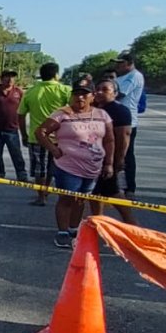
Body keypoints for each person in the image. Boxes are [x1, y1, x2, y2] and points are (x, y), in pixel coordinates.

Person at [35, 79, 114, 249]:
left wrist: (109, 163)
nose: (80, 98)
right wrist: (54, 150)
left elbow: (109, 140)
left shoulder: (102, 115)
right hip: (68, 166)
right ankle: (62, 232)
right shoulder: (62, 114)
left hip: (93, 167)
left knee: (81, 199)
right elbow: (40, 132)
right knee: (67, 198)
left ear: (92, 96)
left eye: (85, 94)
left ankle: (73, 229)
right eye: (77, 94)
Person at [18, 62, 72, 205]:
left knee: (39, 169)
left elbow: (21, 114)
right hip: (59, 137)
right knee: (52, 166)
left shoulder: (31, 91)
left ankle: (41, 196)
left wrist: (23, 134)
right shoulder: (65, 90)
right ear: (56, 75)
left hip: (36, 138)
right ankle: (47, 189)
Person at [89, 78, 135, 225]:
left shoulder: (119, 111)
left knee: (113, 192)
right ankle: (98, 222)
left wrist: (118, 160)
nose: (100, 92)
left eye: (105, 90)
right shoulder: (93, 107)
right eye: (98, 89)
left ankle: (132, 225)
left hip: (110, 159)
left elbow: (124, 137)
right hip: (93, 157)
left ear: (115, 93)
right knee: (95, 193)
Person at [0, 69, 27, 181]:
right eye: (7, 77)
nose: (10, 80)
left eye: (12, 77)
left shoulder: (18, 92)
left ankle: (21, 173)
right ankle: (0, 172)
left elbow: (26, 105)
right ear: (2, 79)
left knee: (16, 152)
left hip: (12, 128)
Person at [113, 52, 145, 193]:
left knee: (125, 155)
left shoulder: (134, 76)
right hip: (115, 119)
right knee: (114, 154)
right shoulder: (122, 77)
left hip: (126, 121)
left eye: (121, 63)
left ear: (130, 63)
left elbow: (119, 94)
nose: (117, 66)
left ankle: (129, 187)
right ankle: (115, 186)